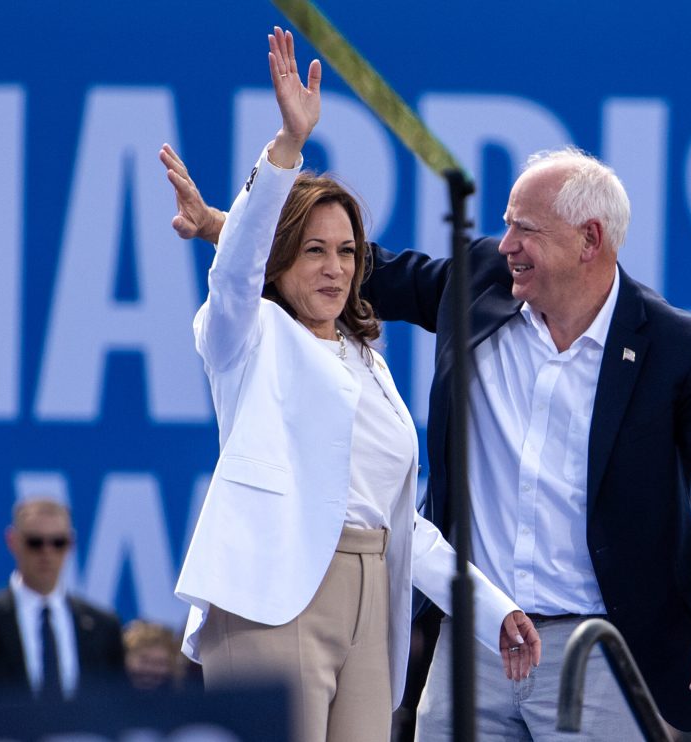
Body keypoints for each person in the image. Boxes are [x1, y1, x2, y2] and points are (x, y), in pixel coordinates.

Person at [166, 79, 691, 739]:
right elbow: (334, 262)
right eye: (506, 223)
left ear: (589, 240)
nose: (506, 242)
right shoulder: (483, 280)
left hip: (600, 650)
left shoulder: (673, 350)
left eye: (525, 228)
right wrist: (226, 227)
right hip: (475, 652)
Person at [165, 27, 540, 742]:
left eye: (345, 252)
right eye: (313, 251)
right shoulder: (245, 335)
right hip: (274, 598)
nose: (335, 268)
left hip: (374, 601)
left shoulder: (367, 359)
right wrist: (286, 148)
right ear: (279, 263)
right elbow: (236, 269)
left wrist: (492, 609)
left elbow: (399, 519)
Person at [0, 498, 125, 704]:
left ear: (71, 544)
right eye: (35, 542)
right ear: (13, 541)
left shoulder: (103, 626)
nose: (46, 552)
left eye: (58, 542)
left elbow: (115, 706)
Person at [123, 620, 184, 693]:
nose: (150, 669)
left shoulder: (182, 699)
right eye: (144, 661)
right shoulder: (108, 696)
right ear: (127, 659)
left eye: (161, 663)